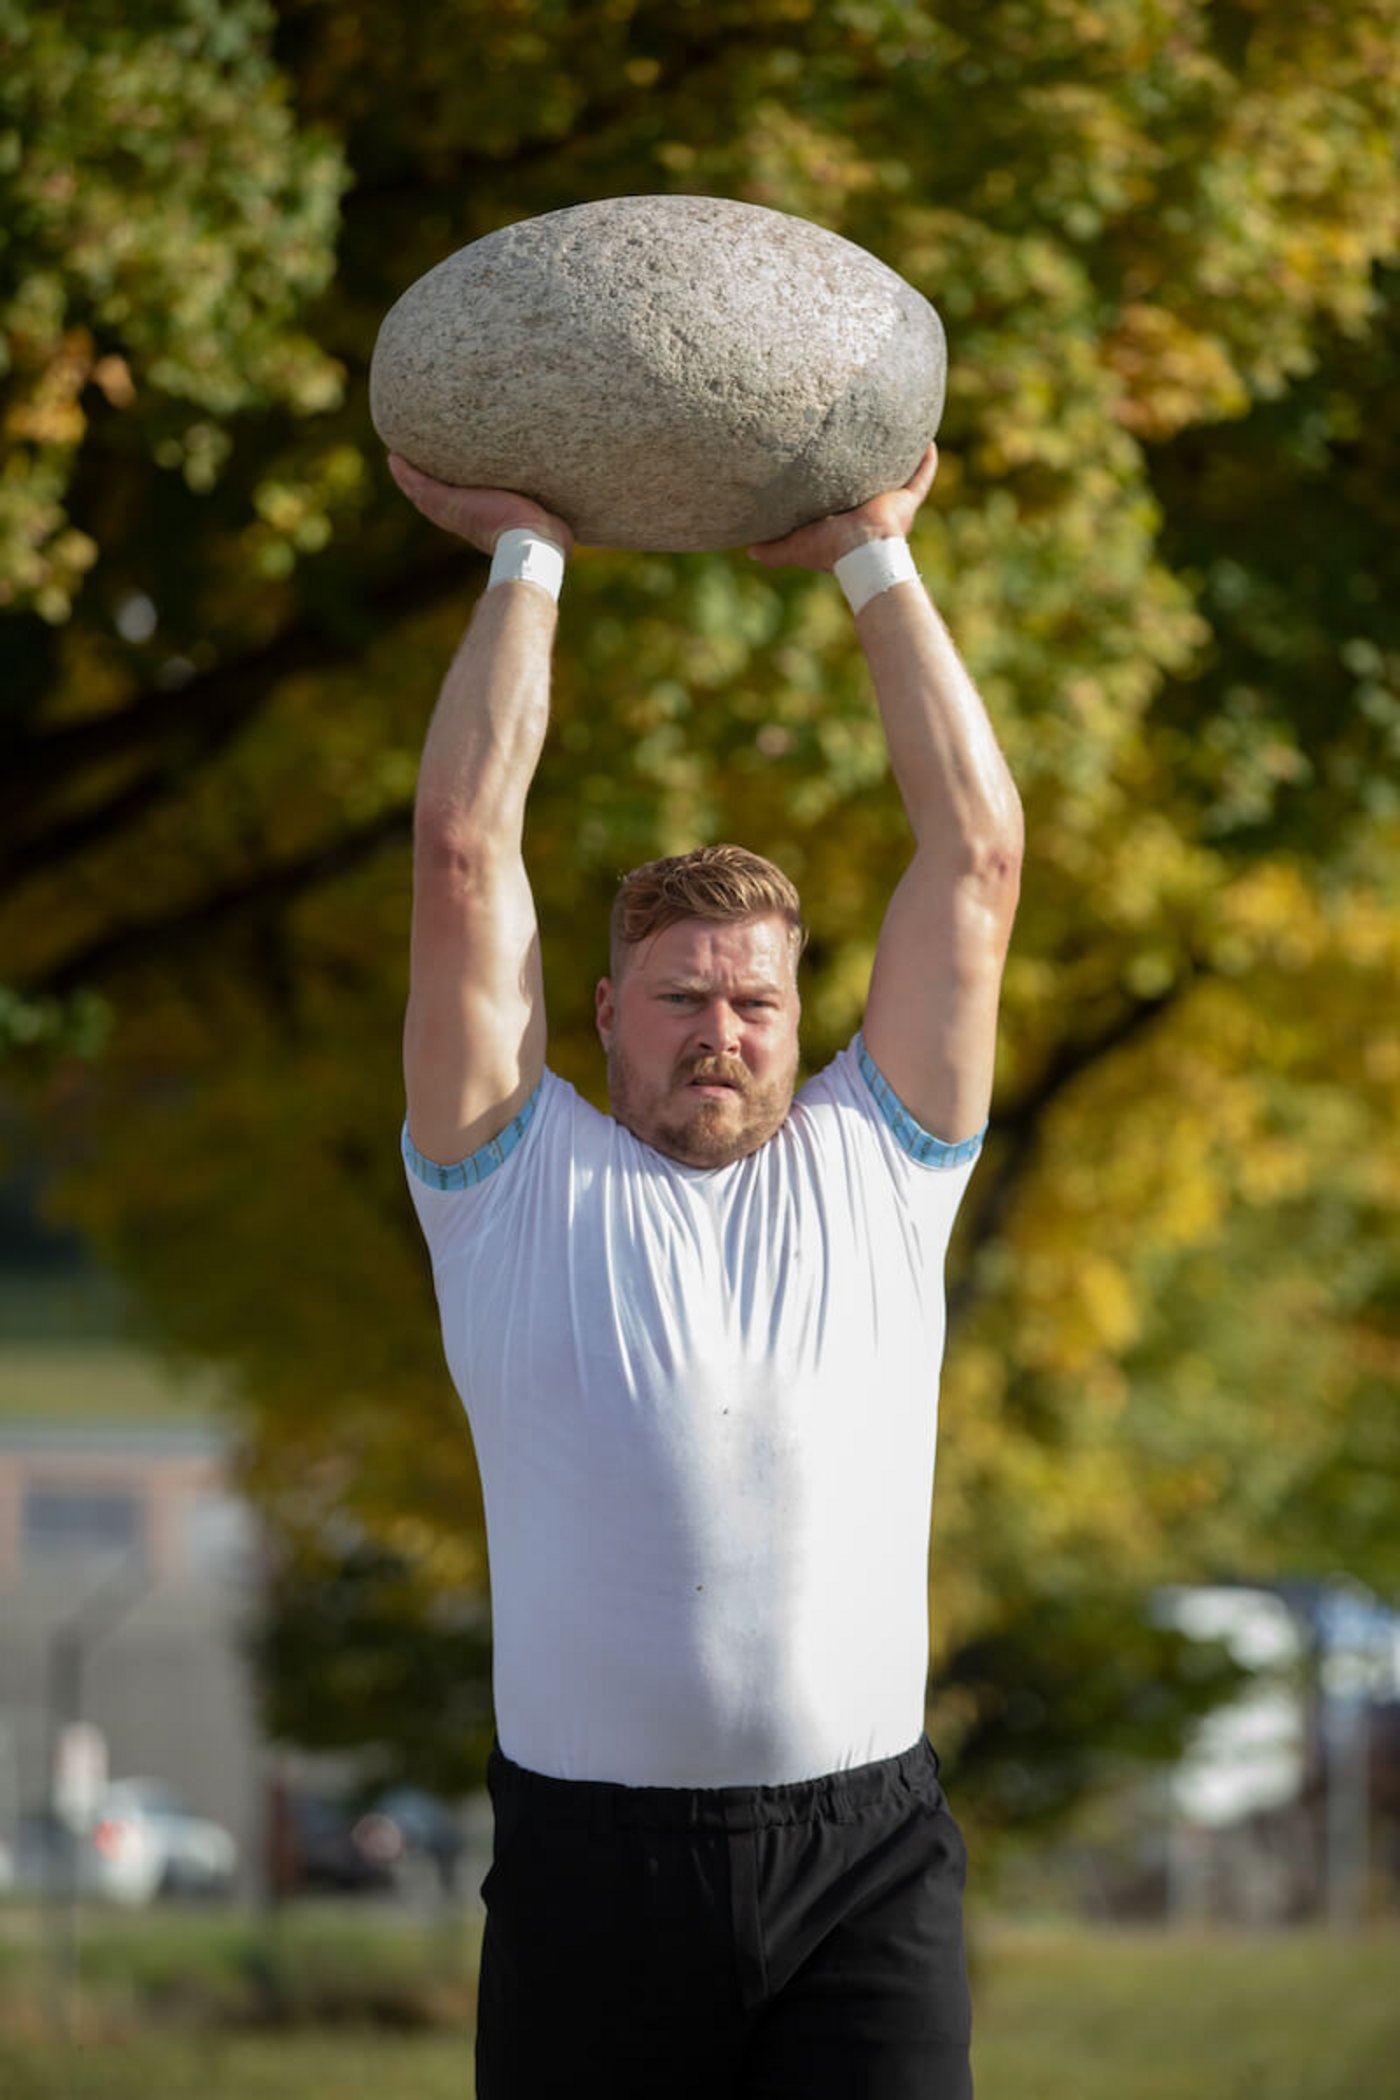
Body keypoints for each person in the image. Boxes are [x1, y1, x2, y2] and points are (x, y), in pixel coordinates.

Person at [389, 439, 1023, 2100]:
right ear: (605, 1017)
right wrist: (529, 550)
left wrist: (877, 557)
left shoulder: (881, 1167)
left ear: (802, 1025)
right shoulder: (511, 1181)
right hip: (596, 1879)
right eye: (679, 999)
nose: (722, 1033)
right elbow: (464, 849)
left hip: (866, 1867)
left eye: (754, 1003)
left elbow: (975, 859)